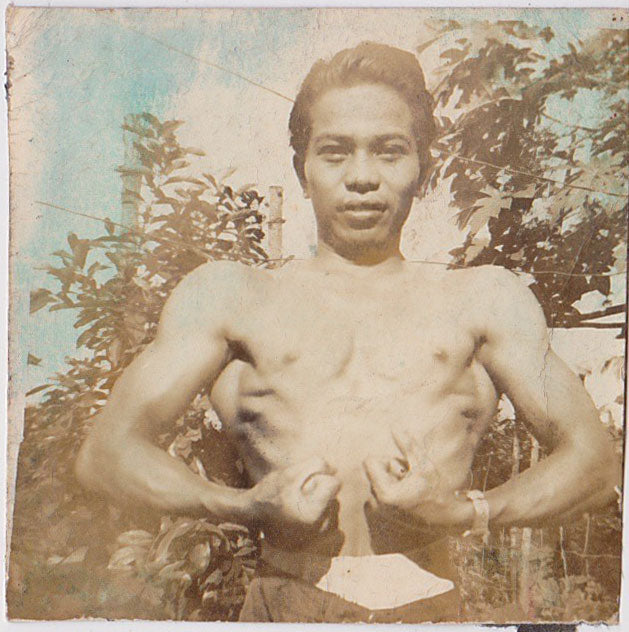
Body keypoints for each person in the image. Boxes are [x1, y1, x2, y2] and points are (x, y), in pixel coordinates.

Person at [75, 42, 619, 623]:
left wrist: (467, 512)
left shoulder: (483, 300)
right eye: (335, 152)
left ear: (423, 169)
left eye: (389, 152)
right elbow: (105, 454)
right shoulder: (232, 297)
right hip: (284, 602)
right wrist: (242, 505)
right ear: (301, 171)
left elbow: (597, 464)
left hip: (429, 606)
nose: (362, 177)